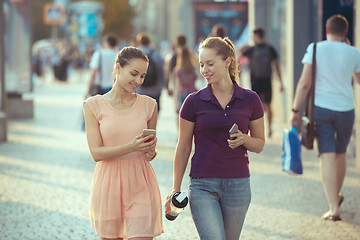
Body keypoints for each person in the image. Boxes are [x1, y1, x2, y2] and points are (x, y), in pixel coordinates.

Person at [166, 37, 265, 239]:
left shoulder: (251, 99)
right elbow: (183, 147)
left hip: (238, 185)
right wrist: (175, 189)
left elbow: (260, 144)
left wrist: (244, 139)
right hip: (202, 185)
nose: (204, 70)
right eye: (201, 64)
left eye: (210, 64)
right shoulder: (193, 102)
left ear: (227, 62)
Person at [83, 46, 164, 239]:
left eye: (142, 76)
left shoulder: (150, 105)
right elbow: (96, 153)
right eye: (134, 73)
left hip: (141, 184)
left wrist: (150, 151)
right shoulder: (93, 105)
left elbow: (150, 152)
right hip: (108, 185)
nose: (138, 81)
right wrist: (131, 146)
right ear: (118, 68)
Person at [291, 14, 360, 221]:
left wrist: (295, 111)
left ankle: (333, 207)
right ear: (346, 33)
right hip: (347, 109)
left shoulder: (315, 49)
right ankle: (336, 195)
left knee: (326, 156)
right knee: (341, 154)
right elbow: (358, 79)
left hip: (322, 109)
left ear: (327, 30)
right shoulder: (354, 52)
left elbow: (304, 83)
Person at [241, 27, 284, 137]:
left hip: (259, 81)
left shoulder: (256, 50)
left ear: (257, 36)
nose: (252, 38)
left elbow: (277, 66)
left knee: (263, 107)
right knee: (264, 106)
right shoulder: (267, 49)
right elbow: (277, 66)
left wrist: (281, 82)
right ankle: (267, 130)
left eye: (253, 36)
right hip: (263, 81)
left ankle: (266, 129)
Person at [136, 33, 164, 112]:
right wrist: (163, 84)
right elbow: (161, 70)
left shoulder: (136, 54)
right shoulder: (155, 53)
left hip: (140, 89)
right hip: (155, 89)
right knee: (154, 112)